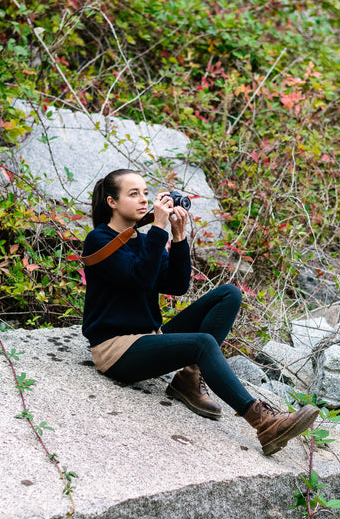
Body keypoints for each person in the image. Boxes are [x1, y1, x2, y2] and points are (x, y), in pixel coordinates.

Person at [81, 168, 319, 455]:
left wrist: (179, 238)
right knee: (202, 343)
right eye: (134, 194)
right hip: (116, 350)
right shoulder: (99, 239)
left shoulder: (144, 241)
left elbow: (177, 285)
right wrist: (158, 228)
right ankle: (263, 422)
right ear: (112, 202)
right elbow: (139, 279)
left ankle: (188, 380)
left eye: (145, 192)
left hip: (149, 337)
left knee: (229, 294)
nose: (144, 199)